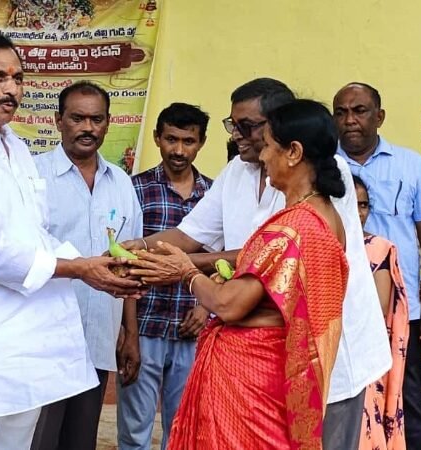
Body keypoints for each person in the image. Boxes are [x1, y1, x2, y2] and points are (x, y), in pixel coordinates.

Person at [120, 78, 391, 450]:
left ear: (288, 143)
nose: (238, 138)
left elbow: (251, 274)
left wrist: (184, 271)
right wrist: (138, 250)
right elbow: (192, 234)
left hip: (315, 362)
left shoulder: (315, 196)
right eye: (232, 126)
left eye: (249, 128)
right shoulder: (245, 175)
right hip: (265, 373)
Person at [0, 34, 142, 450]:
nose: (11, 89)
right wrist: (80, 270)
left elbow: (36, 233)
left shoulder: (15, 146)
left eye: (17, 78)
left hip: (28, 347)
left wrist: (97, 267)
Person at [31, 81, 143, 450]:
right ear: (58, 120)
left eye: (96, 119)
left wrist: (130, 334)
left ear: (108, 123)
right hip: (44, 342)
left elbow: (130, 266)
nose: (87, 128)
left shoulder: (121, 183)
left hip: (98, 339)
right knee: (39, 440)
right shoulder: (34, 177)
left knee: (80, 441)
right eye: (77, 118)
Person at [333, 82, 421, 450]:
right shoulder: (324, 167)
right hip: (340, 312)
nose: (350, 120)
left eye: (359, 111)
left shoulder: (410, 165)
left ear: (379, 117)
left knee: (405, 403)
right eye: (341, 112)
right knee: (346, 405)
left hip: (400, 312)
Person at [116, 102, 213, 450]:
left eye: (189, 141)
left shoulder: (214, 194)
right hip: (145, 326)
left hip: (194, 330)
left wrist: (205, 308)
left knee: (184, 431)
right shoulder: (135, 189)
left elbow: (223, 261)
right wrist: (129, 334)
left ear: (201, 143)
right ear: (157, 138)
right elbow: (125, 264)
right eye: (171, 139)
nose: (179, 150)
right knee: (134, 433)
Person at [354, 175, 409, 450]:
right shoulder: (320, 245)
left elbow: (375, 313)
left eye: (363, 205)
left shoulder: (378, 249)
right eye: (351, 204)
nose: (358, 212)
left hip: (363, 360)